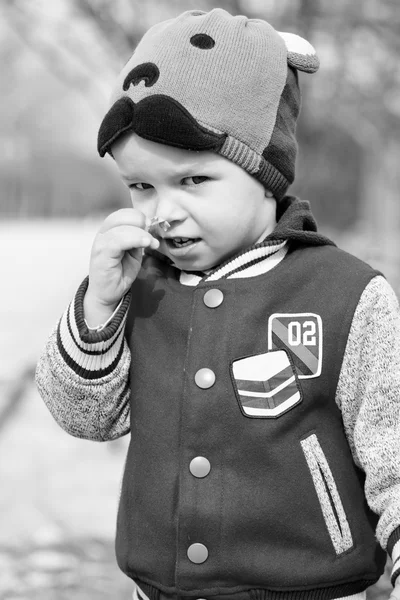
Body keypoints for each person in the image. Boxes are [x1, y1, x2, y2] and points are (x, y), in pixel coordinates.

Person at [35, 8, 400, 600]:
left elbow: (394, 453)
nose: (162, 211)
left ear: (265, 172)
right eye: (141, 185)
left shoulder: (345, 296)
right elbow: (85, 417)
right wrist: (98, 309)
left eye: (193, 181)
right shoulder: (141, 286)